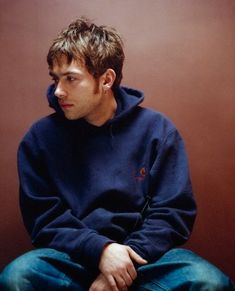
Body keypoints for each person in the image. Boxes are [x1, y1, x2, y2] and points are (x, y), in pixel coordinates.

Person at [0, 18, 234, 291]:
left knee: (210, 282)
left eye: (71, 78)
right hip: (70, 259)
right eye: (55, 78)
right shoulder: (39, 138)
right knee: (18, 278)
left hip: (144, 260)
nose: (58, 90)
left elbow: (173, 212)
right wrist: (101, 251)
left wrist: (122, 263)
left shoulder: (158, 131)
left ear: (107, 79)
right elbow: (44, 219)